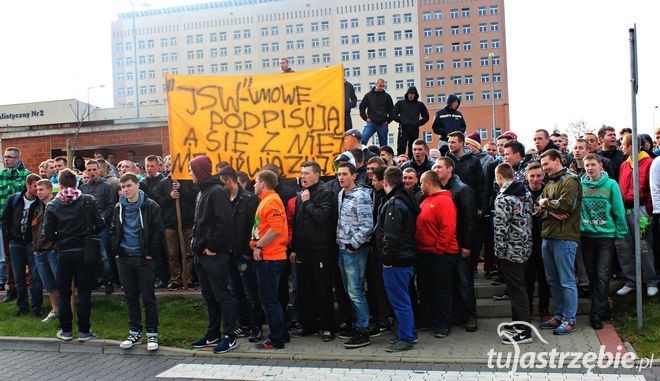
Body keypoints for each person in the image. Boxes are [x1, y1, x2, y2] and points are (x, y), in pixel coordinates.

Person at [43, 168, 104, 342]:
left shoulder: (53, 205)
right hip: (85, 250)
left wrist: (60, 238)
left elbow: (47, 234)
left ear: (60, 184)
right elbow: (100, 224)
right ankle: (84, 331)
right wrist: (89, 230)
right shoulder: (88, 200)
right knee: (84, 291)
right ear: (77, 183)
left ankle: (66, 330)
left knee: (64, 292)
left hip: (64, 252)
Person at [188, 156, 238, 354]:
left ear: (199, 171)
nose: (190, 173)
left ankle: (229, 336)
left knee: (222, 295)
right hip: (201, 253)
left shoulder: (216, 192)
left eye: (191, 170)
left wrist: (213, 247)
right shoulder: (203, 191)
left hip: (213, 254)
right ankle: (213, 333)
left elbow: (224, 223)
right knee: (209, 295)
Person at [111, 173, 163, 351]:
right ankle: (134, 331)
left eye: (128, 186)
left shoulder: (150, 206)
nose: (125, 190)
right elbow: (114, 229)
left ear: (137, 185)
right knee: (131, 296)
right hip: (124, 258)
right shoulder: (118, 207)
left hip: (144, 258)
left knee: (148, 296)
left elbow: (157, 231)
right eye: (123, 187)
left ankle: (152, 333)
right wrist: (116, 251)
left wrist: (149, 253)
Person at [536, 149, 582, 335]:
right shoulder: (550, 182)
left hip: (564, 238)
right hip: (548, 236)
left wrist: (544, 204)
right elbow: (535, 207)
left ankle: (569, 319)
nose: (544, 168)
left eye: (546, 164)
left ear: (557, 160)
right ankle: (559, 315)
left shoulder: (570, 180)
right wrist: (548, 209)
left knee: (566, 281)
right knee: (553, 280)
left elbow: (566, 205)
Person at [580, 154, 627, 330]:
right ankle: (604, 308)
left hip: (606, 237)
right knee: (592, 275)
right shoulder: (581, 184)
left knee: (602, 274)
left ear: (601, 166)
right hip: (586, 236)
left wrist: (620, 234)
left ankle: (596, 315)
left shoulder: (611, 185)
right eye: (587, 165)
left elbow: (618, 210)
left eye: (593, 164)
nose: (590, 168)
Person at [290, 162, 336, 342]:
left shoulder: (324, 192)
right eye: (301, 173)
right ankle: (308, 325)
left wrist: (308, 202)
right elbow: (298, 223)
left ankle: (327, 327)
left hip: (321, 249)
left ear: (317, 175)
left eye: (307, 173)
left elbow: (321, 217)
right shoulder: (302, 193)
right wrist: (294, 248)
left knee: (322, 288)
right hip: (303, 249)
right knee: (304, 289)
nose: (303, 177)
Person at [374, 167, 420, 352]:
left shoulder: (394, 203)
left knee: (400, 301)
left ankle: (406, 337)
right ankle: (407, 333)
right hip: (405, 258)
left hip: (396, 261)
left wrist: (387, 258)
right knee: (404, 299)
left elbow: (391, 235)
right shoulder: (405, 199)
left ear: (385, 182)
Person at [433, 157, 478, 332]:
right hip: (445, 244)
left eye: (440, 167)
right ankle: (456, 314)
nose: (436, 169)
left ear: (450, 169)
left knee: (464, 281)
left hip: (459, 244)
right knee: (450, 282)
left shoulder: (462, 189)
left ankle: (470, 315)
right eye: (435, 166)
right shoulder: (439, 190)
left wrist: (467, 245)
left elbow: (469, 220)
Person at [219, 166, 262, 343]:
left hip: (244, 254)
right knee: (234, 291)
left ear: (229, 181)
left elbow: (255, 226)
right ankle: (243, 324)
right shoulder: (222, 199)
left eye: (222, 183)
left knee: (251, 292)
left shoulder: (249, 199)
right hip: (228, 254)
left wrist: (248, 251)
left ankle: (256, 327)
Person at [335, 162, 374, 348]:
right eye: (339, 174)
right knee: (349, 291)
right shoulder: (342, 194)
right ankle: (356, 324)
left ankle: (363, 330)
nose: (341, 177)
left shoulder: (362, 196)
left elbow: (367, 226)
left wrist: (353, 244)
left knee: (356, 291)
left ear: (354, 176)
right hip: (342, 249)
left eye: (344, 174)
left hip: (355, 251)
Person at [493, 163, 534, 344]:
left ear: (499, 176)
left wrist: (499, 251)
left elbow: (500, 227)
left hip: (510, 251)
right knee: (519, 287)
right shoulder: (525, 194)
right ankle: (519, 323)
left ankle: (524, 331)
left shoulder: (504, 198)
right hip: (524, 248)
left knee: (516, 291)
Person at [415, 170, 458, 338]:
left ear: (428, 183)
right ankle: (428, 319)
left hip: (441, 254)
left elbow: (448, 228)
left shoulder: (444, 202)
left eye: (421, 183)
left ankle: (443, 323)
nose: (420, 187)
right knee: (427, 289)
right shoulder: (426, 200)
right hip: (426, 253)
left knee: (441, 290)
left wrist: (439, 249)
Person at [251, 170, 290, 350]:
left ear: (263, 184)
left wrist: (259, 246)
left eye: (256, 182)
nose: (253, 185)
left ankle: (276, 339)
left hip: (270, 257)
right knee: (271, 299)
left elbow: (275, 229)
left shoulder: (271, 200)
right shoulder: (267, 200)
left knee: (269, 300)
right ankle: (281, 334)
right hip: (270, 256)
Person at [616, 134, 658, 297]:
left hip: (641, 210)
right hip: (624, 210)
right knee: (625, 246)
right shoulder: (624, 165)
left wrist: (648, 210)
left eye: (624, 145)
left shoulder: (649, 162)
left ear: (634, 146)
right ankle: (631, 281)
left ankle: (650, 280)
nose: (621, 147)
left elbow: (651, 187)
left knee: (643, 244)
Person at [2, 173, 43, 317]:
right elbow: (5, 219)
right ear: (28, 185)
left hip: (32, 243)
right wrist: (10, 236)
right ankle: (22, 307)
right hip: (16, 243)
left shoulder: (40, 202)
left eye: (39, 187)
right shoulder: (14, 199)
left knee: (36, 276)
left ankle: (37, 307)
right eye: (34, 187)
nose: (37, 190)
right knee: (19, 277)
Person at [155, 158, 196, 290]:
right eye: (168, 165)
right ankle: (175, 279)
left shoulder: (189, 181)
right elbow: (157, 202)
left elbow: (195, 198)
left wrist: (181, 189)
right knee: (172, 254)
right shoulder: (162, 184)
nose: (171, 168)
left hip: (187, 222)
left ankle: (187, 278)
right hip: (170, 224)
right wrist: (169, 197)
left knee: (188, 252)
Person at [80, 160, 117, 295]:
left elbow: (111, 206)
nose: (92, 172)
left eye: (94, 169)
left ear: (99, 170)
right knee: (90, 256)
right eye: (89, 170)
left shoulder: (106, 187)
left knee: (104, 256)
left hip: (102, 227)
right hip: (88, 228)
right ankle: (94, 281)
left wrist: (101, 218)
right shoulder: (83, 188)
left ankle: (108, 282)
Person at [524, 162, 552, 322]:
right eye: (532, 176)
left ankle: (544, 308)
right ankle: (527, 308)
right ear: (527, 176)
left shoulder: (548, 190)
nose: (535, 179)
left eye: (538, 176)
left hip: (545, 239)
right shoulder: (521, 192)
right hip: (526, 242)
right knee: (527, 278)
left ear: (543, 176)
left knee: (544, 277)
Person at [33, 179, 59, 322]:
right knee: (49, 284)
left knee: (59, 281)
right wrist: (34, 249)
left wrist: (55, 247)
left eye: (41, 189)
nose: (38, 192)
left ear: (50, 189)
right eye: (37, 190)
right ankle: (55, 310)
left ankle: (67, 310)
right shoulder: (38, 208)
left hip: (53, 251)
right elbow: (35, 230)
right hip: (39, 251)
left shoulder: (56, 206)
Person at [391, 87, 429, 156]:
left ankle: (412, 164)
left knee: (413, 148)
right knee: (401, 148)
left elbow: (426, 117)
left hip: (414, 129)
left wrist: (418, 123)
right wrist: (401, 120)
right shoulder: (400, 103)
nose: (411, 95)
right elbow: (393, 114)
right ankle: (400, 163)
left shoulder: (419, 104)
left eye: (413, 94)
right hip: (403, 129)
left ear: (415, 95)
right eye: (409, 94)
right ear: (407, 94)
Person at [359, 78, 394, 146]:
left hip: (383, 123)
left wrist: (388, 121)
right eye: (380, 86)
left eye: (383, 86)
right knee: (363, 139)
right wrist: (365, 118)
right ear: (376, 84)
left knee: (383, 145)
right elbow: (362, 107)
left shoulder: (387, 96)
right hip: (371, 122)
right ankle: (361, 155)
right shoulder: (368, 95)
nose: (381, 88)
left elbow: (392, 110)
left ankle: (383, 156)